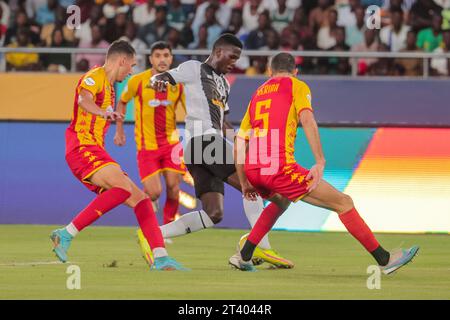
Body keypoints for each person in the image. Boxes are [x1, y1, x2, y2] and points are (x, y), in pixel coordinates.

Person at [228, 52, 419, 273]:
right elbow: (307, 119)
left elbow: (240, 142)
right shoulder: (296, 85)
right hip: (278, 168)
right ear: (295, 72)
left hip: (253, 168)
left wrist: (244, 182)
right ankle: (385, 260)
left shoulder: (257, 93)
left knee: (281, 201)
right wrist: (319, 160)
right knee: (343, 202)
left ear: (270, 73)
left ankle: (244, 255)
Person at [148, 33, 294, 269]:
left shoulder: (224, 84)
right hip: (203, 140)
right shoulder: (194, 68)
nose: (234, 62)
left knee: (213, 213)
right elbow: (163, 77)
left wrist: (239, 143)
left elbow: (223, 122)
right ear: (218, 52)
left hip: (201, 148)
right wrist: (159, 80)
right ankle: (261, 248)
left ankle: (152, 234)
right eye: (232, 56)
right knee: (254, 187)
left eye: (237, 57)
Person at [50, 40, 186, 271]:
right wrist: (103, 112)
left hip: (95, 149)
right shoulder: (96, 76)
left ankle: (161, 256)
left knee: (142, 200)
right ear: (121, 61)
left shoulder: (112, 88)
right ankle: (66, 233)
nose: (132, 70)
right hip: (81, 147)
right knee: (122, 188)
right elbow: (84, 99)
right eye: (131, 65)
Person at [114, 41, 186, 264]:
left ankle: (163, 229)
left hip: (172, 144)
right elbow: (122, 102)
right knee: (154, 192)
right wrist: (119, 131)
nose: (162, 59)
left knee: (174, 189)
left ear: (171, 58)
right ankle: (148, 214)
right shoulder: (137, 80)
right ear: (151, 59)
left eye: (166, 55)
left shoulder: (179, 84)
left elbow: (191, 110)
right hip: (147, 147)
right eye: (158, 55)